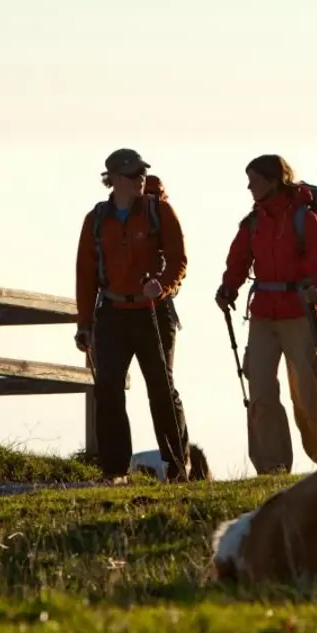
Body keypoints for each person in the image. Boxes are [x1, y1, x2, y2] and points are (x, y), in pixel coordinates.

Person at [215, 154, 317, 474]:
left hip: (298, 312)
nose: (249, 186)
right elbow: (239, 259)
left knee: (306, 390)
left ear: (273, 180)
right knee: (260, 388)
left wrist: (316, 290)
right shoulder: (255, 221)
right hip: (263, 314)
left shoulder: (303, 218)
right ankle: (273, 468)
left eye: (254, 180)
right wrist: (228, 288)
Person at [74, 147, 194, 482]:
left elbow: (178, 259)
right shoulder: (96, 220)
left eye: (142, 173)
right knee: (108, 389)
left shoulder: (160, 211)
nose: (140, 178)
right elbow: (85, 274)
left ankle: (177, 465)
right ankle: (115, 470)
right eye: (132, 174)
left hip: (154, 311)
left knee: (161, 387)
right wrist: (85, 323)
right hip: (112, 312)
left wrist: (163, 285)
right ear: (112, 179)